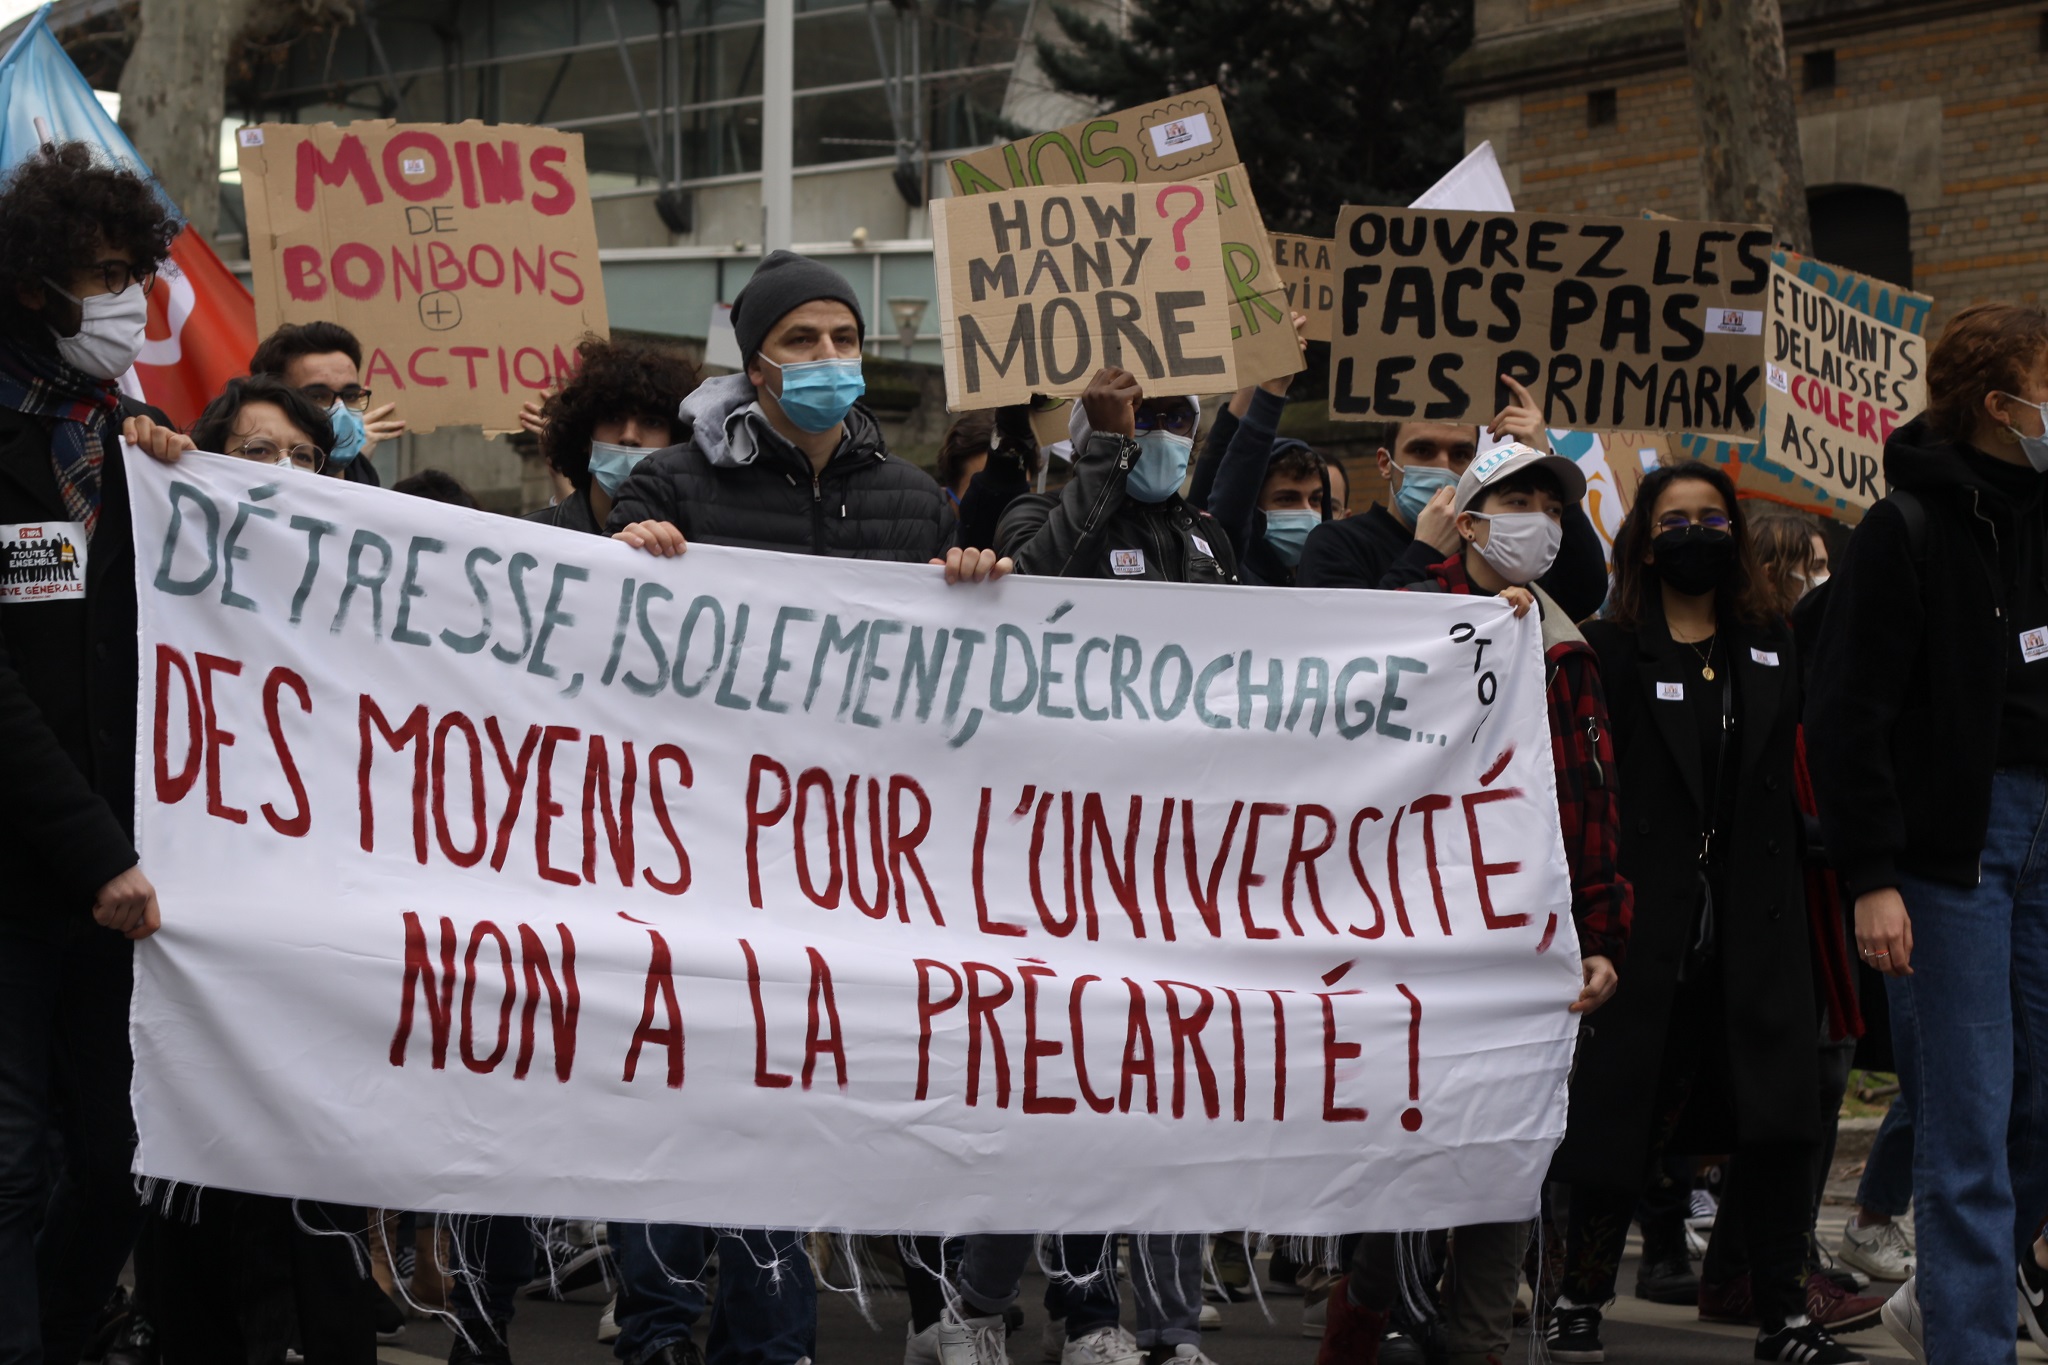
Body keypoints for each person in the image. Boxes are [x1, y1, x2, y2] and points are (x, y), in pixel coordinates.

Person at [1548, 461, 1867, 1365]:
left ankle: (1785, 1316)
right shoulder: (1614, 648)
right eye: (1677, 517)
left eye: (1713, 517)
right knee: (1624, 1117)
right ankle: (1579, 1300)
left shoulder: (1770, 642)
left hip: (1756, 926)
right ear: (1647, 540)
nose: (1697, 532)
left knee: (1778, 1121)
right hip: (1647, 926)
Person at [1316, 443, 1629, 1365]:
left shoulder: (1567, 646)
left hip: (1523, 945)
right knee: (1407, 1144)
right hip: (1410, 936)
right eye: (1515, 499)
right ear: (1471, 517)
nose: (1536, 517)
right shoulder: (1405, 618)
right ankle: (1366, 1301)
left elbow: (1594, 798)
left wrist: (1603, 932)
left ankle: (1479, 1342)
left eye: (1550, 503)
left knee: (1507, 1151)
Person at [1807, 301, 2048, 1364]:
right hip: (1952, 848)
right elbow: (1846, 714)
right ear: (2000, 405)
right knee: (1965, 1113)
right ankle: (1967, 1339)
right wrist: (1871, 875)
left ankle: (1960, 1292)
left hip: (2042, 829)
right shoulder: (1902, 531)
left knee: (2035, 1096)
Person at [130, 375, 378, 1364]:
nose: (283, 474)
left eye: (304, 459)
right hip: (200, 928)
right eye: (258, 453)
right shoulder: (160, 560)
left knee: (319, 1181)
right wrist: (143, 462)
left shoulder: (367, 588)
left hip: (322, 928)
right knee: (208, 1183)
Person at [0, 139, 195, 1365]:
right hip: (25, 873)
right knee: (13, 1161)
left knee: (119, 1161)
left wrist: (195, 489)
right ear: (36, 284)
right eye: (104, 275)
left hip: (134, 882)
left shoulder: (127, 440)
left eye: (137, 272)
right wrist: (90, 849)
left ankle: (72, 1333)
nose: (127, 302)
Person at [610, 249, 995, 585]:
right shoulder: (667, 486)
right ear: (756, 368)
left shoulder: (919, 502)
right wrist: (627, 554)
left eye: (844, 339)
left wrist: (974, 580)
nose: (828, 353)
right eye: (802, 339)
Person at [1294, 377, 1607, 619]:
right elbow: (1346, 640)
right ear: (1385, 463)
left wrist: (1540, 458)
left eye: (1459, 454)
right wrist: (1424, 551)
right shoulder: (1336, 543)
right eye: (1422, 451)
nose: (1442, 466)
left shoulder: (1490, 545)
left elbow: (1582, 592)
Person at [995, 368, 1235, 583]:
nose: (1161, 434)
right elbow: (1037, 593)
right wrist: (1110, 449)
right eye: (1140, 417)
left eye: (1177, 418)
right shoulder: (1035, 515)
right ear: (1097, 431)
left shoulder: (1205, 527)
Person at [527, 336, 696, 534]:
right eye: (613, 419)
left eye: (651, 422)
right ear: (585, 437)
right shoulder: (528, 539)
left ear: (676, 440)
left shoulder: (701, 545)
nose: (629, 436)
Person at [248, 320, 405, 485]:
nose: (341, 410)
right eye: (317, 396)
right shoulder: (247, 492)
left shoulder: (366, 480)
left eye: (350, 395)